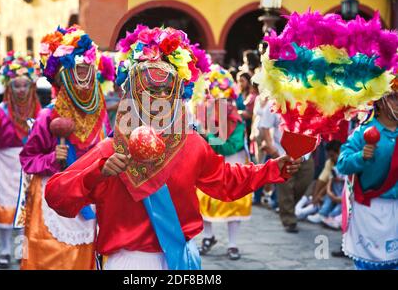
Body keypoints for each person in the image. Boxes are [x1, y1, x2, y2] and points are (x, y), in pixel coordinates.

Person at [44, 26, 302, 270]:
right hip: (129, 261)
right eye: (149, 89)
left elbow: (225, 181)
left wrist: (272, 169)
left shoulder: (192, 144)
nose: (158, 97)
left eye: (167, 89)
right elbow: (57, 196)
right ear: (133, 92)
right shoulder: (110, 151)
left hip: (182, 258)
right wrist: (97, 173)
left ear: (179, 92)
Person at [18, 25, 113, 270]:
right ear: (65, 78)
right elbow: (28, 159)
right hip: (54, 197)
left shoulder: (101, 115)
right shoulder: (48, 116)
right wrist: (51, 158)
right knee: (53, 257)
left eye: (87, 71)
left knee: (86, 256)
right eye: (77, 72)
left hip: (90, 197)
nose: (84, 79)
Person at [0, 52, 41, 269]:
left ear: (31, 87)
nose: (21, 90)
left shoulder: (40, 112)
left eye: (25, 85)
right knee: (6, 207)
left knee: (26, 208)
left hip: (29, 163)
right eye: (17, 86)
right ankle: (5, 250)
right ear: (9, 88)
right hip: (5, 163)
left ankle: (20, 251)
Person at [338, 88, 398, 270]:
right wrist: (360, 157)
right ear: (380, 102)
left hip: (395, 211)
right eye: (394, 97)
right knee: (367, 265)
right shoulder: (362, 133)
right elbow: (342, 164)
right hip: (368, 210)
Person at [197, 65, 252, 261]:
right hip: (209, 167)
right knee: (204, 200)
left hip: (233, 167)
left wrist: (207, 137)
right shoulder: (204, 118)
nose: (223, 105)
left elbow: (230, 146)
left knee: (235, 204)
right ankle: (207, 236)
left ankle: (233, 244)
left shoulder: (236, 122)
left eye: (227, 100)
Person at [258, 99, 315, 233]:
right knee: (285, 186)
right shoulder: (277, 99)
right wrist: (272, 148)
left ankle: (287, 207)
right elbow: (265, 126)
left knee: (304, 183)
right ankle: (289, 219)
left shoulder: (312, 100)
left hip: (306, 154)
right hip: (283, 153)